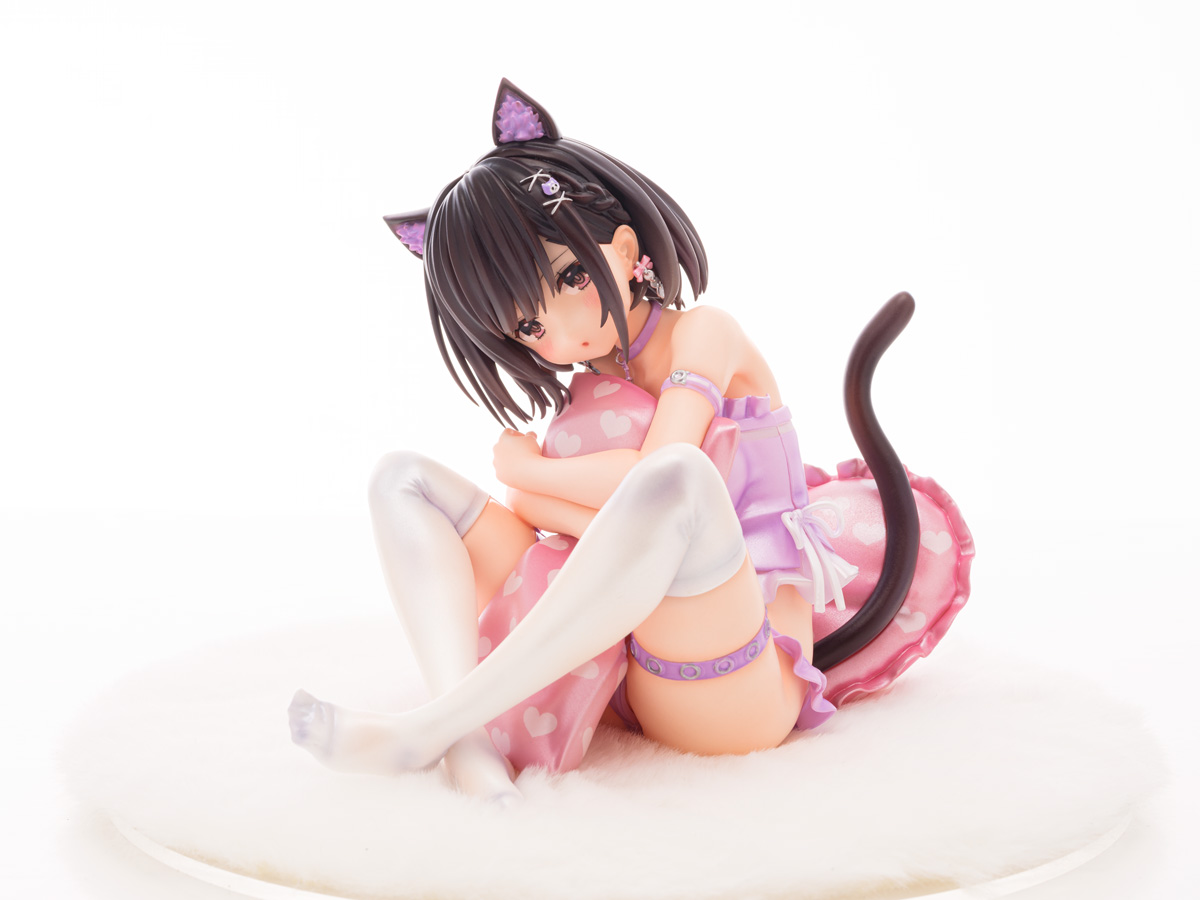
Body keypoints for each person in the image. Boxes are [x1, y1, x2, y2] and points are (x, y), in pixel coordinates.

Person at [289, 80, 916, 805]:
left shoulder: (704, 333)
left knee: (681, 478)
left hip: (729, 683)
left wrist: (526, 475)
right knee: (400, 478)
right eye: (529, 326)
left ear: (623, 249)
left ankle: (428, 729)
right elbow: (603, 527)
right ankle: (468, 749)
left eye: (571, 277)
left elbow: (658, 478)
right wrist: (542, 499)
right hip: (616, 666)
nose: (562, 331)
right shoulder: (592, 389)